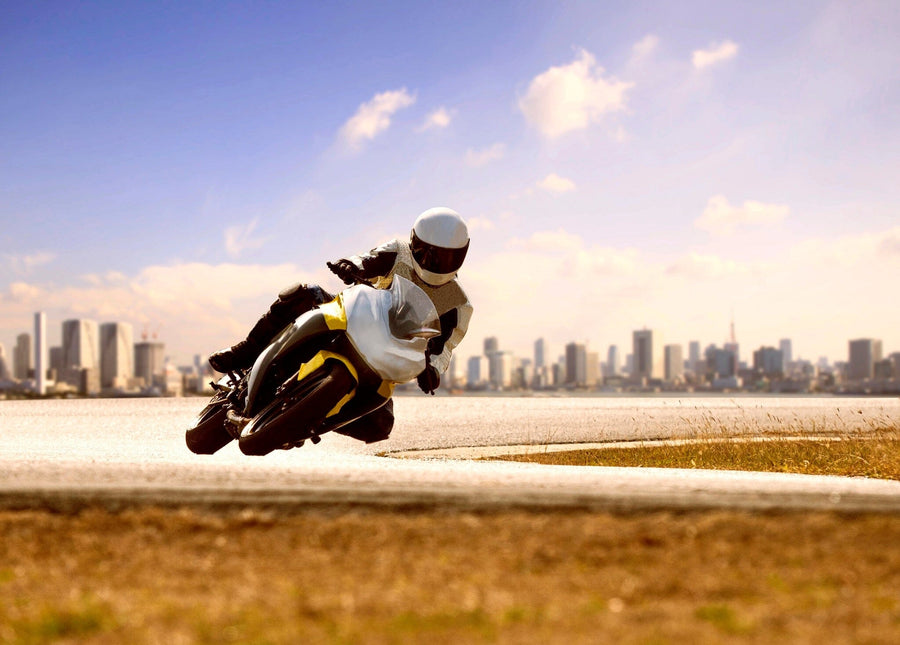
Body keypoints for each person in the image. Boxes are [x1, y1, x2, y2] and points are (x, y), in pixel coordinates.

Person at [208, 206, 473, 443]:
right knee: (304, 293)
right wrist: (351, 265)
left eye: (443, 258)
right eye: (423, 252)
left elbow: (446, 347)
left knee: (380, 427)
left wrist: (434, 371)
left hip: (388, 357)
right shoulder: (398, 251)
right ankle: (246, 350)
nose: (430, 262)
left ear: (460, 257)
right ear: (413, 241)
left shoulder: (459, 304)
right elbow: (368, 259)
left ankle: (308, 421)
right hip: (357, 317)